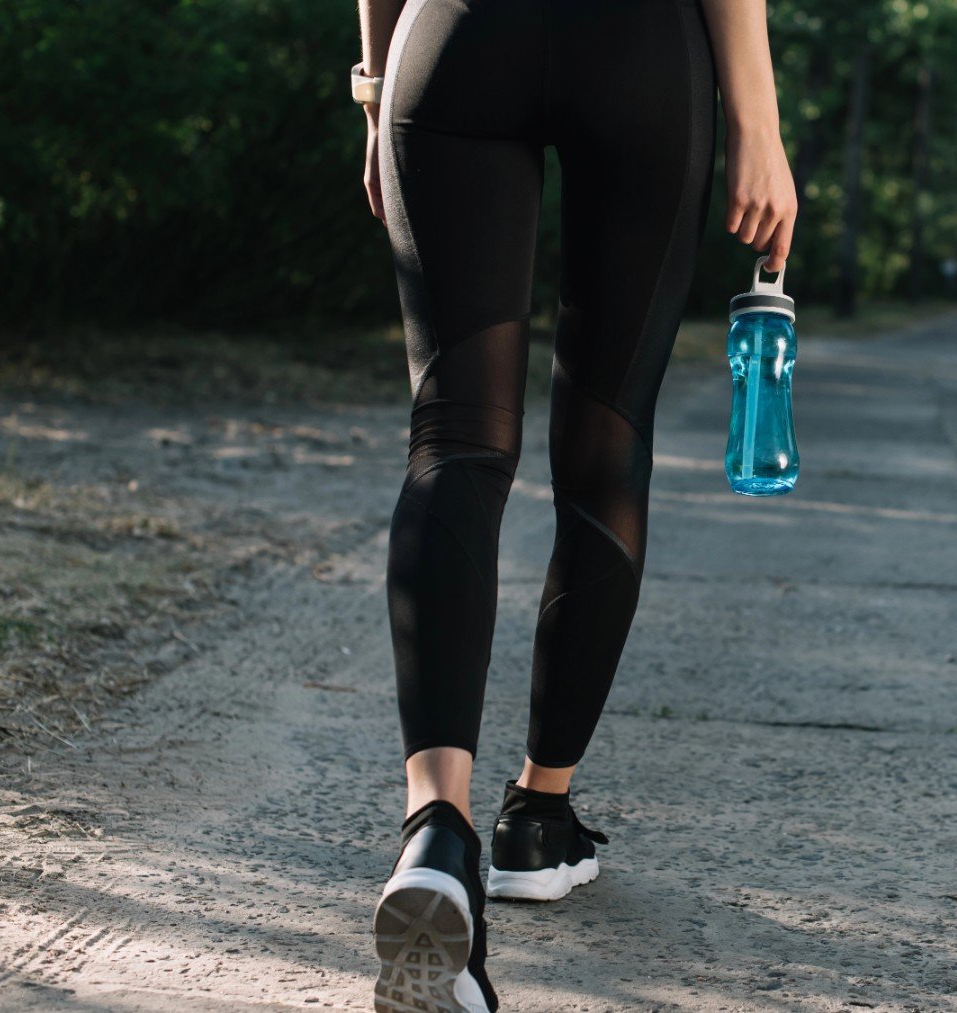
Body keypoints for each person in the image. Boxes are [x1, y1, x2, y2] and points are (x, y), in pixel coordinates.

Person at [351, 0, 797, 1007]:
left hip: (455, 38)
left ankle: (437, 832)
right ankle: (537, 818)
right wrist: (757, 126)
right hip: (637, 49)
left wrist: (377, 93)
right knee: (605, 445)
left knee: (454, 438)